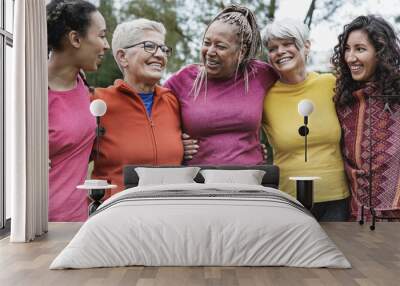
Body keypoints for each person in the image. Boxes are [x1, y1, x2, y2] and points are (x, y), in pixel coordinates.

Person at [164, 4, 278, 166]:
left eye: (220, 46)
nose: (210, 51)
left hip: (250, 182)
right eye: (207, 42)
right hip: (197, 184)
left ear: (242, 51)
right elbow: (154, 116)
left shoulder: (260, 74)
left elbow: (292, 89)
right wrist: (174, 143)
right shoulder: (182, 80)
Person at [261, 18, 349, 221]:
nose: (280, 51)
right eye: (273, 48)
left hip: (336, 201)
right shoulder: (264, 98)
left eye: (287, 44)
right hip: (289, 203)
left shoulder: (331, 84)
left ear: (306, 45)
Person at [91, 18, 183, 196]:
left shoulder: (173, 102)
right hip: (116, 215)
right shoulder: (97, 102)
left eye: (164, 49)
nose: (160, 55)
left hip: (169, 215)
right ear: (123, 57)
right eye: (149, 46)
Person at [332, 15, 400, 220]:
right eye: (347, 49)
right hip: (357, 215)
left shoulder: (397, 96)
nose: (351, 57)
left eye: (360, 49)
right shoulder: (343, 101)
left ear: (380, 53)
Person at [47, 0, 110, 221]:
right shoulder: (27, 93)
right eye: (101, 36)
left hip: (77, 225)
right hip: (35, 228)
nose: (106, 45)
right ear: (75, 39)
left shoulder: (83, 87)